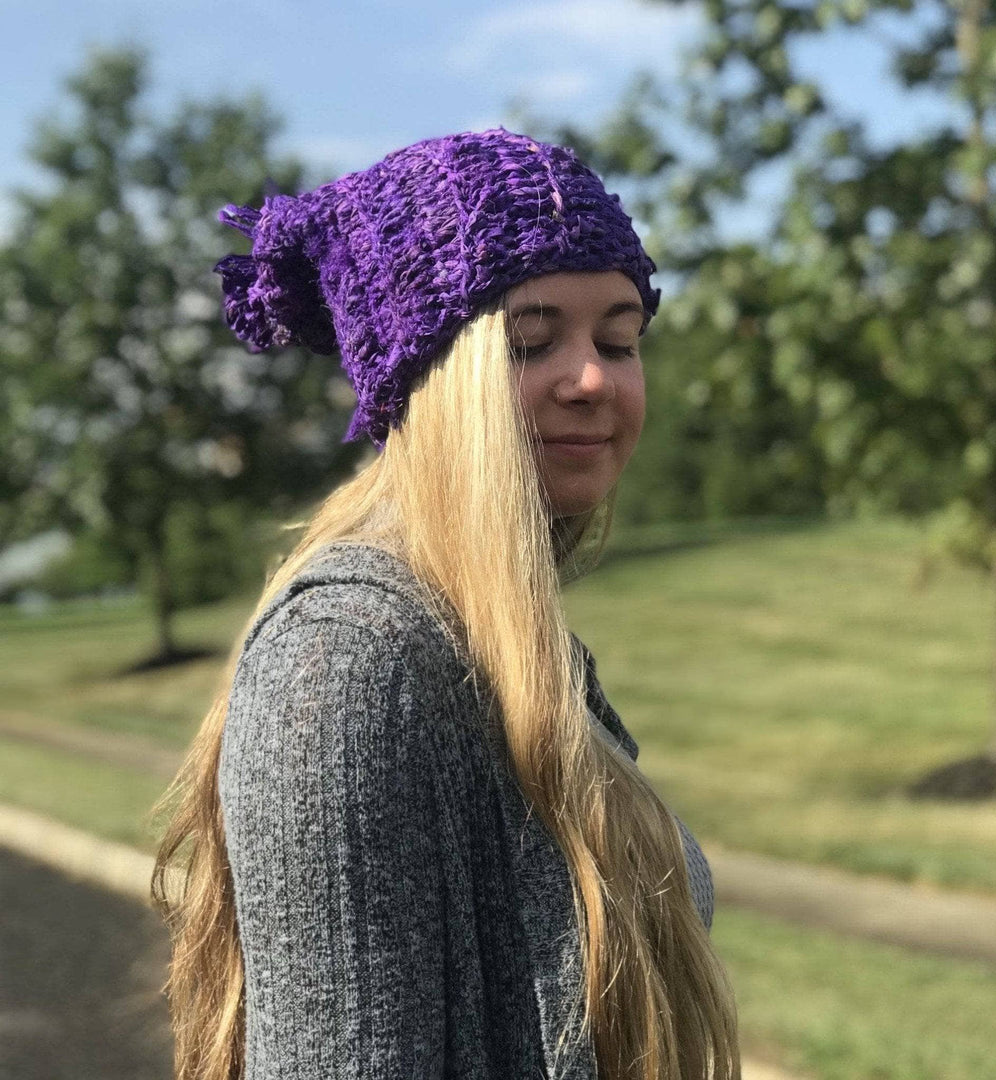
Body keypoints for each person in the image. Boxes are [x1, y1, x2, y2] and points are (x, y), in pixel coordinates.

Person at [152, 128, 740, 1080]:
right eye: (531, 339)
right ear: (423, 380)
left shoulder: (504, 631)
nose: (593, 377)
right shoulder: (345, 666)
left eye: (620, 338)